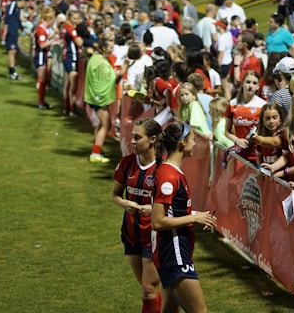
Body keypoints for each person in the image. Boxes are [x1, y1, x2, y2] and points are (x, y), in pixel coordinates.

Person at [151, 121, 216, 313]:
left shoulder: (170, 172)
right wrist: (192, 219)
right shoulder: (169, 177)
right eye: (193, 140)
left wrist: (197, 215)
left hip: (175, 251)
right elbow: (158, 221)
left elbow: (174, 211)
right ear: (182, 143)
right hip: (174, 254)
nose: (195, 144)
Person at [112, 118, 163, 313]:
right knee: (147, 288)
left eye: (137, 137)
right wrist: (125, 203)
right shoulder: (126, 163)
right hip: (131, 234)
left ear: (152, 140)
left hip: (154, 237)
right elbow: (115, 195)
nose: (132, 141)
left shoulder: (163, 169)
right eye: (132, 137)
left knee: (149, 290)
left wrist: (154, 209)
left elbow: (177, 205)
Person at [84, 36, 129, 163]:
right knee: (106, 124)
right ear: (103, 48)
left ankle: (96, 148)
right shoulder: (102, 64)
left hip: (94, 96)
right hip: (99, 98)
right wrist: (125, 65)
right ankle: (95, 153)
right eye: (110, 48)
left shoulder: (96, 58)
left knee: (102, 123)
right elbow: (115, 79)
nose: (112, 50)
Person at [224, 70, 266, 164]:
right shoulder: (232, 104)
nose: (250, 86)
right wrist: (237, 140)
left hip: (257, 155)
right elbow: (226, 131)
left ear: (258, 86)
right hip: (238, 154)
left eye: (254, 83)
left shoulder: (263, 105)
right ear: (242, 83)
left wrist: (257, 137)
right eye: (248, 82)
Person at [33, 6, 61, 110]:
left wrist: (53, 39)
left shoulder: (43, 28)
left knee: (44, 80)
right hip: (40, 56)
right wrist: (53, 40)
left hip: (43, 55)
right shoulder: (41, 29)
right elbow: (42, 45)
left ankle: (42, 101)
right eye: (53, 18)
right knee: (42, 79)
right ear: (49, 18)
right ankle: (41, 102)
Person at [60, 9, 83, 116]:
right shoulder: (71, 29)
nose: (77, 20)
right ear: (70, 18)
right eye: (75, 18)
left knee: (67, 84)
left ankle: (66, 108)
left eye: (78, 18)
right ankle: (72, 109)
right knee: (72, 85)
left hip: (66, 56)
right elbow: (79, 42)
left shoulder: (64, 27)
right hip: (71, 57)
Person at [2, 0, 29, 80]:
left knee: (13, 51)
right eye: (25, 3)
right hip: (11, 32)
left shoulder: (18, 9)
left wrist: (24, 30)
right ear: (22, 1)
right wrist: (5, 31)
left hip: (14, 31)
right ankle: (12, 72)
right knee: (12, 51)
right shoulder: (12, 5)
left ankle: (12, 70)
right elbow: (7, 18)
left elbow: (17, 21)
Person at [215, 18, 233, 100]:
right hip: (229, 61)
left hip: (223, 64)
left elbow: (221, 55)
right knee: (229, 86)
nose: (215, 27)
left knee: (225, 88)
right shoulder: (228, 34)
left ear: (220, 26)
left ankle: (227, 105)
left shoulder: (222, 38)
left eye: (217, 25)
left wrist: (218, 66)